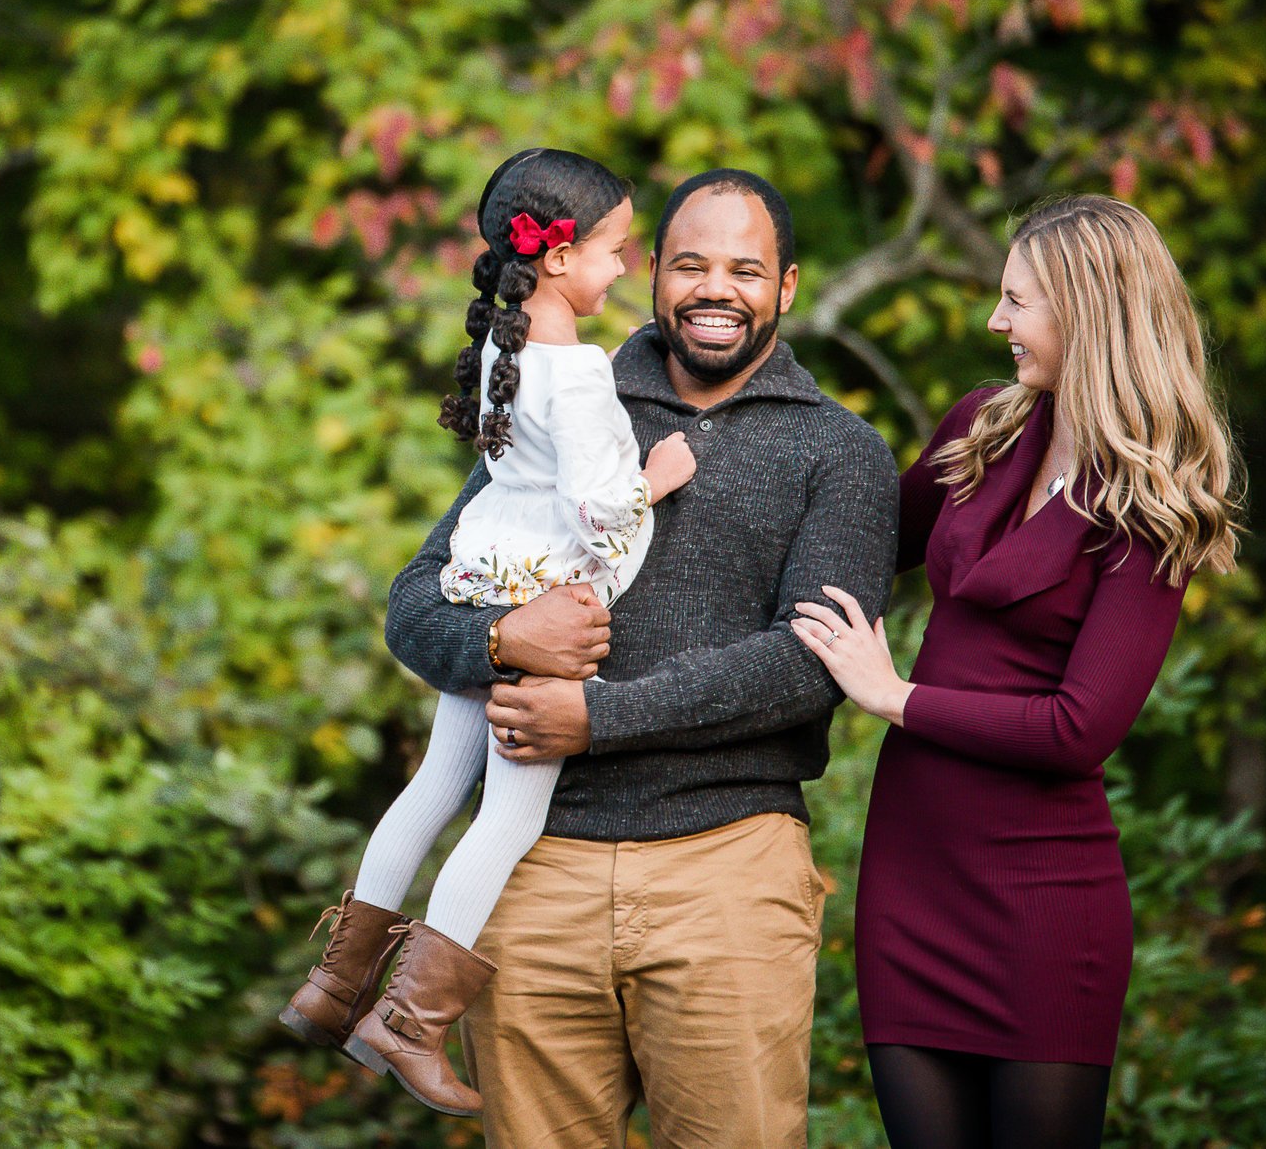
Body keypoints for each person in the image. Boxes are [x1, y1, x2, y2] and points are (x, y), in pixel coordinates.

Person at [358, 167, 898, 1149]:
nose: (714, 286)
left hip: (725, 868)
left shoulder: (838, 451)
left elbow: (809, 662)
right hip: (531, 870)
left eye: (745, 268)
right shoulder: (558, 385)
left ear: (785, 286)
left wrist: (602, 715)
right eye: (689, 261)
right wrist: (495, 641)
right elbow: (416, 601)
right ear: (649, 270)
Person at [790, 194, 1243, 1149]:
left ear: (1087, 309)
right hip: (913, 882)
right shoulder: (980, 430)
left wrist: (896, 696)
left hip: (1043, 903)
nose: (996, 322)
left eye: (1016, 301)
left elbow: (1079, 729)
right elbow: (854, 549)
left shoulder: (1149, 507)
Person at [278, 148, 699, 1116]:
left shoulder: (504, 347)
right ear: (555, 259)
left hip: (481, 576)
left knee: (432, 784)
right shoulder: (583, 376)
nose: (621, 270)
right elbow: (599, 513)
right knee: (506, 814)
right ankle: (407, 1023)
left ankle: (331, 985)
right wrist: (659, 479)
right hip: (543, 596)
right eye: (613, 250)